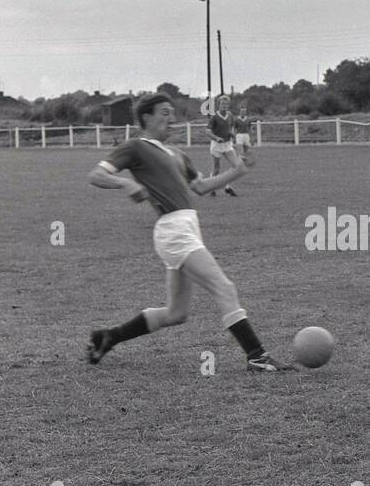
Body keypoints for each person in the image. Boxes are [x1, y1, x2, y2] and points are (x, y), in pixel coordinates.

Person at [86, 92, 292, 372]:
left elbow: (202, 187)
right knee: (224, 287)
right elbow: (96, 174)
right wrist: (125, 184)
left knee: (176, 313)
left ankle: (108, 337)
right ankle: (256, 355)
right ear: (146, 117)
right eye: (165, 113)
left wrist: (240, 171)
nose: (172, 119)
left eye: (173, 113)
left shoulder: (178, 154)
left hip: (187, 228)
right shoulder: (135, 146)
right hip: (173, 230)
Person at [207, 95, 238, 196]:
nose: (225, 106)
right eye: (222, 104)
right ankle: (211, 187)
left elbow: (232, 126)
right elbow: (207, 132)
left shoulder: (230, 115)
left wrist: (232, 133)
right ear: (218, 105)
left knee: (236, 166)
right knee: (216, 169)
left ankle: (227, 187)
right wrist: (216, 138)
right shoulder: (214, 117)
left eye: (226, 104)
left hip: (228, 145)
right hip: (216, 146)